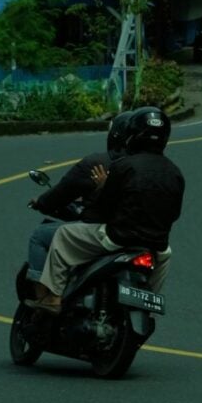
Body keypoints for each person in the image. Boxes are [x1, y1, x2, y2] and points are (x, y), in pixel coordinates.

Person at [24, 106, 185, 314]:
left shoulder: (122, 166)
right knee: (166, 254)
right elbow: (174, 214)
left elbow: (101, 210)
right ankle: (147, 302)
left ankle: (52, 297)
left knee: (62, 235)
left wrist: (97, 196)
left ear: (132, 136)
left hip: (118, 237)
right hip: (157, 244)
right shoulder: (175, 173)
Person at [25, 111, 132, 285]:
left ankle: (46, 294)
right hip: (146, 238)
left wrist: (42, 201)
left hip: (108, 233)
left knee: (40, 236)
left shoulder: (97, 163)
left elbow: (62, 192)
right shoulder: (156, 169)